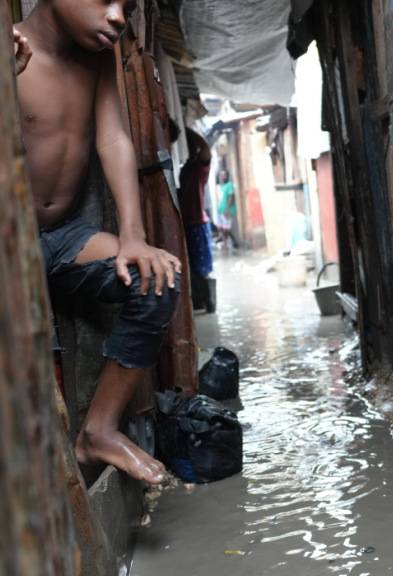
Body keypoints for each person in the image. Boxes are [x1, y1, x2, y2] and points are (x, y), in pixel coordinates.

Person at [14, 0, 178, 485]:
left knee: (156, 278)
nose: (118, 16)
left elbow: (113, 139)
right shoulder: (10, 49)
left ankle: (99, 431)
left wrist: (133, 236)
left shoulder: (97, 59)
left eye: (125, 6)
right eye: (107, 0)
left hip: (62, 240)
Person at [178, 128, 215, 312]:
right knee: (192, 265)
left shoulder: (199, 168)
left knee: (200, 266)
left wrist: (186, 129)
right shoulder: (185, 170)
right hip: (187, 222)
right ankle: (201, 301)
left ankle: (207, 302)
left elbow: (206, 150)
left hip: (197, 223)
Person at [215, 168, 239, 250]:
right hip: (221, 211)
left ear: (227, 176)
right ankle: (226, 243)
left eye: (224, 175)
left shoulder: (229, 185)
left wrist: (227, 210)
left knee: (226, 229)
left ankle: (234, 241)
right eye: (221, 175)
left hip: (227, 211)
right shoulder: (222, 186)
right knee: (221, 228)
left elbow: (231, 197)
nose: (222, 177)